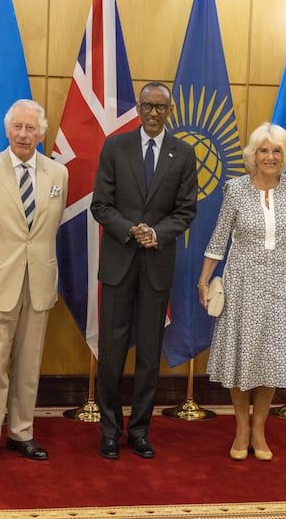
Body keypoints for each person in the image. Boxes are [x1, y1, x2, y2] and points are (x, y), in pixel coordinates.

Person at [91, 81, 198, 460]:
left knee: (150, 354)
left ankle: (139, 431)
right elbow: (100, 205)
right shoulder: (115, 147)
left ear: (170, 112)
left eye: (161, 108)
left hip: (156, 266)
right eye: (147, 106)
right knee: (112, 352)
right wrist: (128, 230)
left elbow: (186, 211)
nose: (153, 114)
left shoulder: (183, 154)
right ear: (138, 109)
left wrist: (156, 233)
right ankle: (109, 431)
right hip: (119, 263)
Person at [0, 99, 69, 468]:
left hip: (38, 283)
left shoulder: (58, 175)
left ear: (42, 134)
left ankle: (22, 433)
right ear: (7, 131)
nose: (25, 134)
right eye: (18, 127)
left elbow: (48, 231)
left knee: (28, 364)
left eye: (31, 128)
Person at [197, 122, 286, 462]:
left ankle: (259, 429)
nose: (270, 157)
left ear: (285, 155)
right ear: (253, 155)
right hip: (241, 282)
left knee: (272, 359)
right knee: (241, 356)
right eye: (263, 150)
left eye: (277, 150)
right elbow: (218, 239)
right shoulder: (235, 189)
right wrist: (204, 280)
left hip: (280, 285)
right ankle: (241, 428)